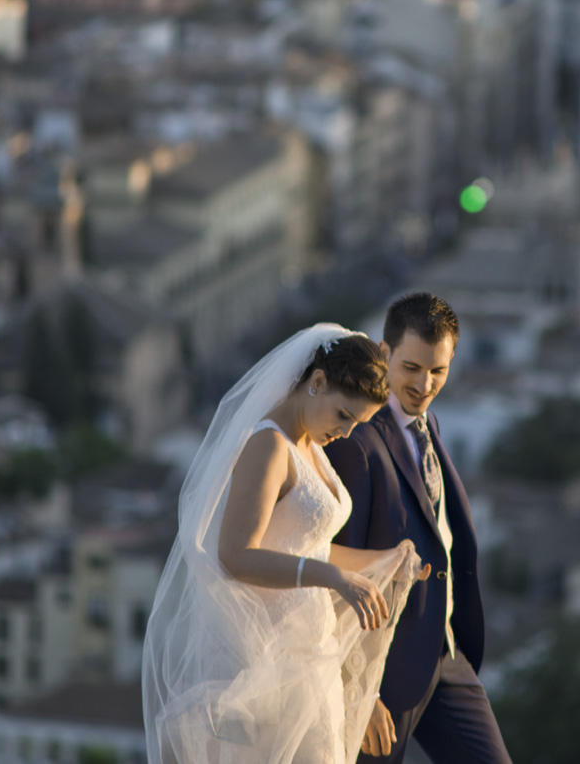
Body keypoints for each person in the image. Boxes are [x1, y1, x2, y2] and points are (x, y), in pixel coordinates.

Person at [143, 323, 429, 764]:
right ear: (317, 382)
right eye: (344, 416)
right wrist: (331, 578)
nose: (347, 434)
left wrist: (386, 560)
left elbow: (305, 548)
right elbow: (234, 555)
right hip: (269, 661)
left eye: (358, 424)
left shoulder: (311, 446)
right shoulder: (268, 446)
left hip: (314, 656)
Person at [327, 293, 511, 764]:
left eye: (438, 371)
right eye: (411, 367)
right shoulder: (357, 439)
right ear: (384, 353)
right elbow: (334, 571)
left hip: (446, 654)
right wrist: (357, 692)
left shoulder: (430, 426)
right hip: (381, 669)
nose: (424, 384)